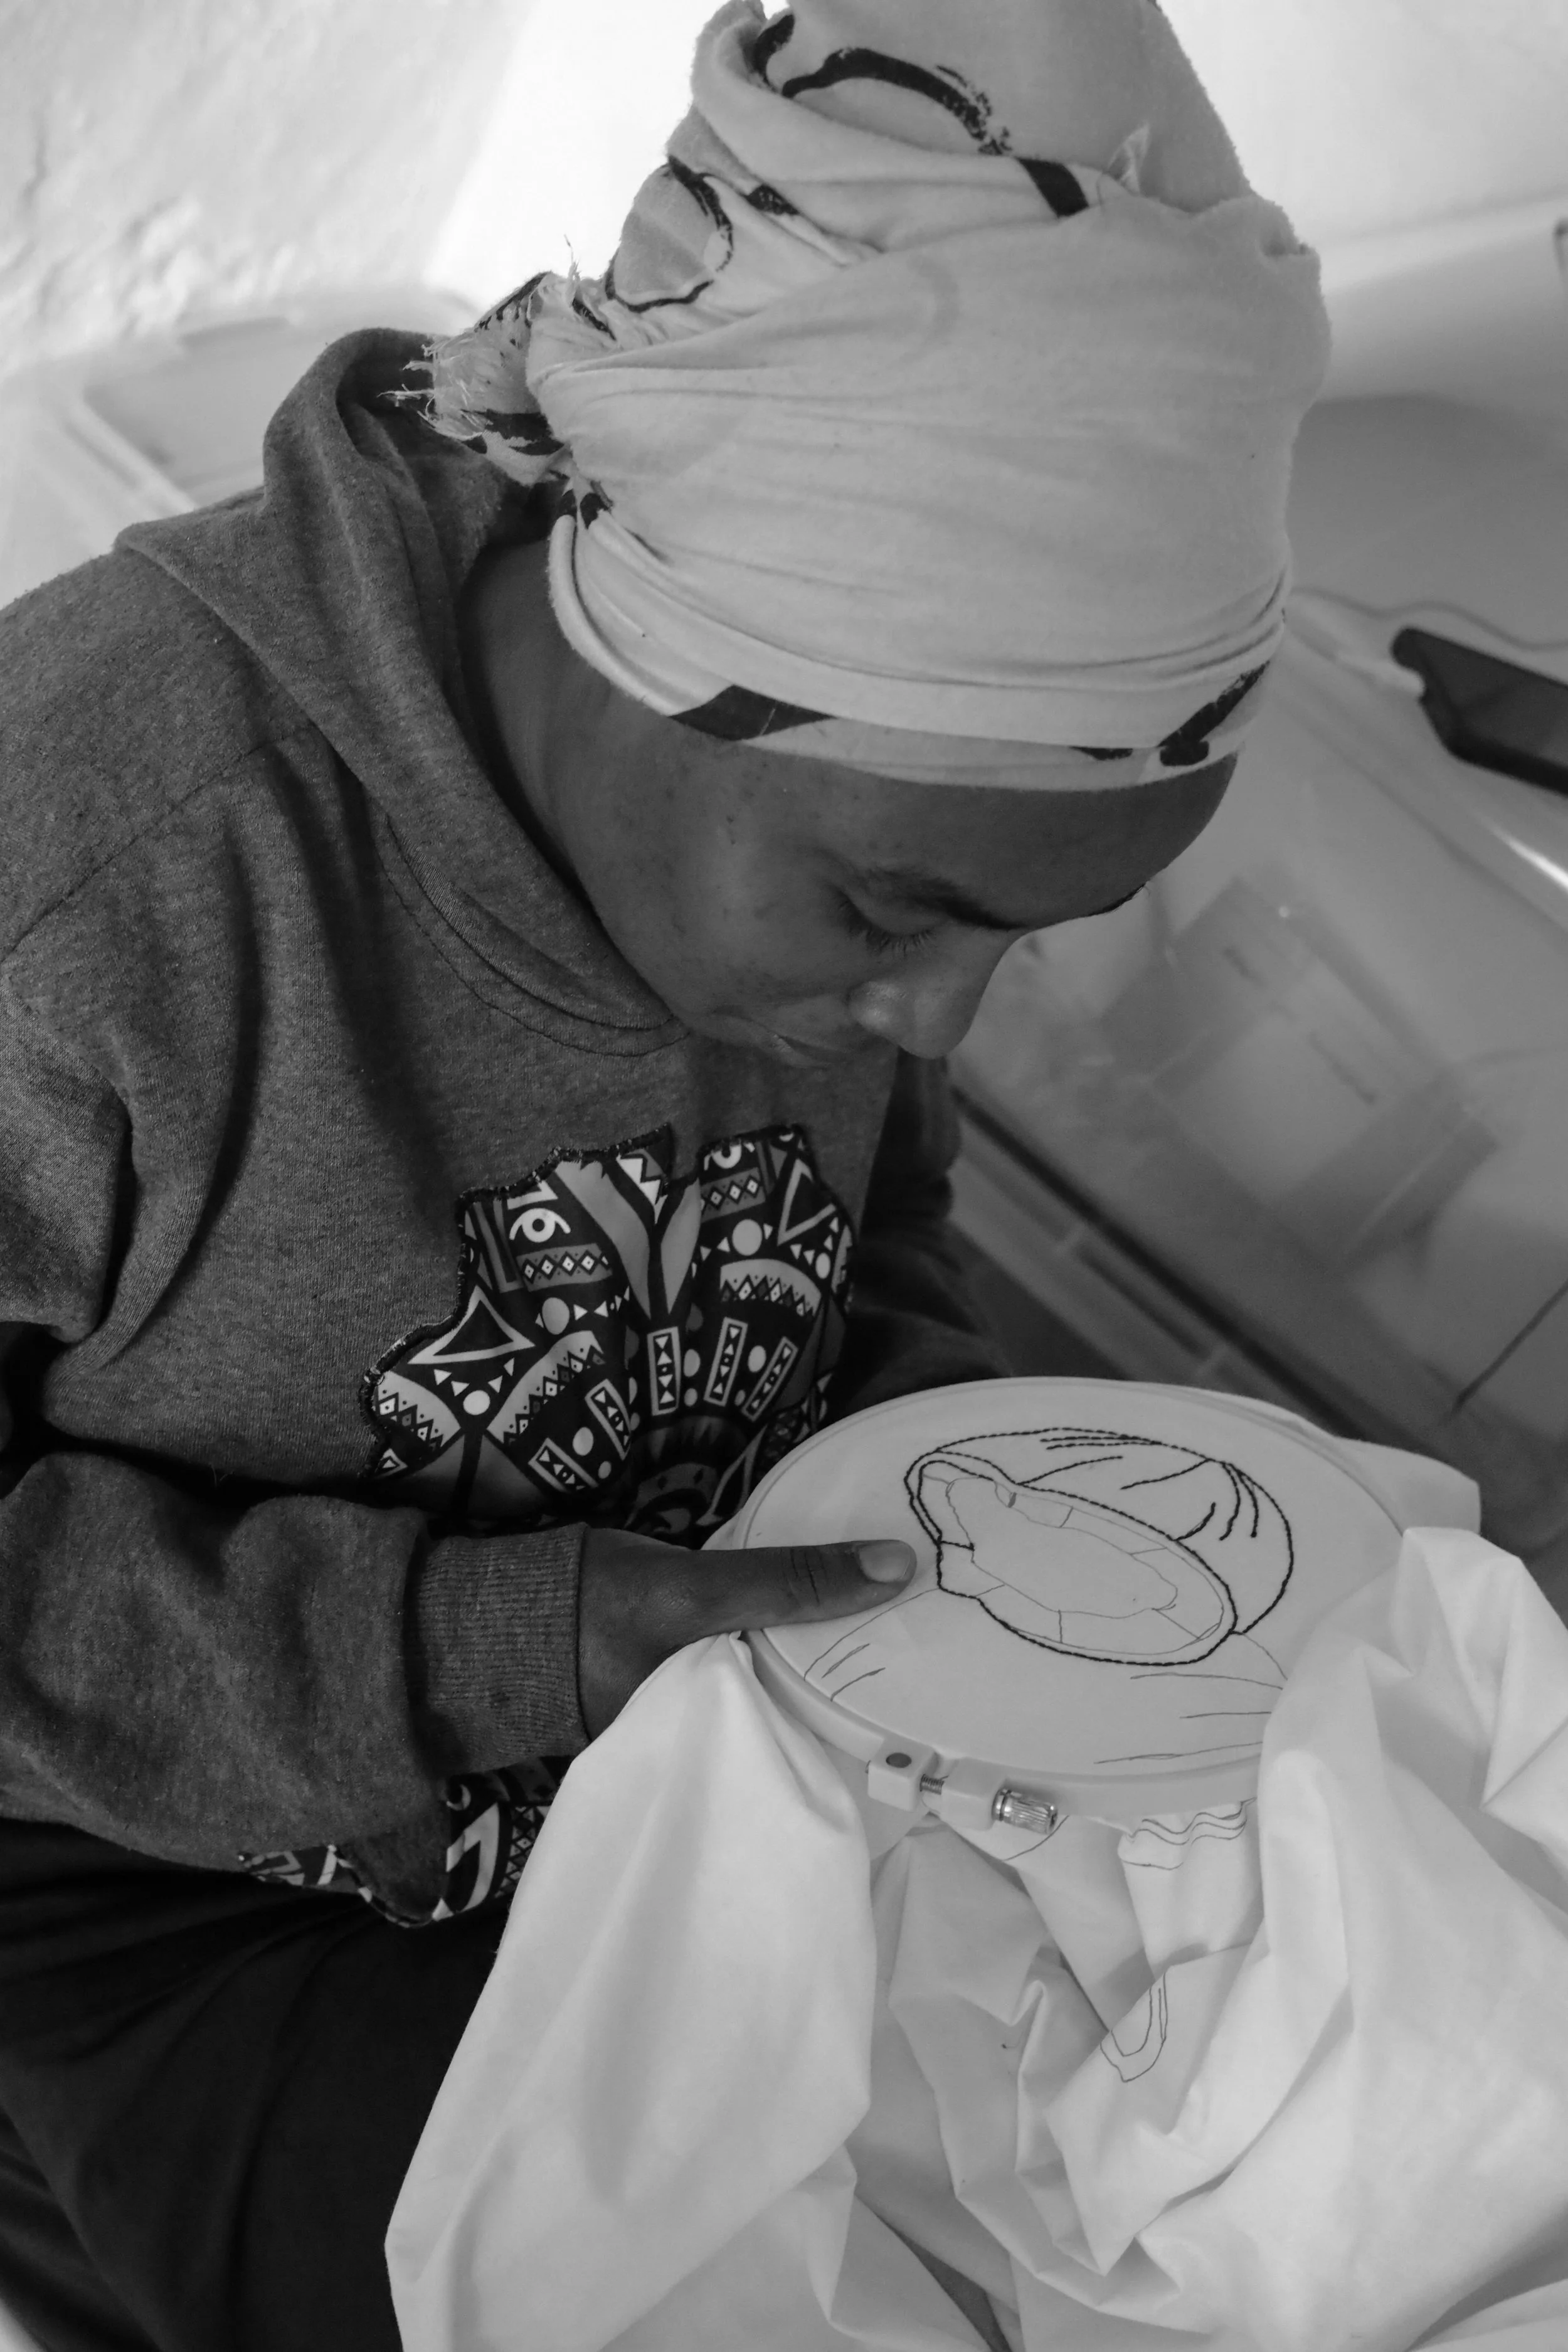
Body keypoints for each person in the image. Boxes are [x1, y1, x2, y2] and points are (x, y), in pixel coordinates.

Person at [0, 1, 1329, 2343]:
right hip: (172, 1868)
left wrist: (952, 1444)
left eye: (1018, 938)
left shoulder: (814, 897)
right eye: (899, 912)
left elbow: (850, 1237)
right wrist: (515, 1639)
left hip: (678, 1722)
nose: (943, 1024)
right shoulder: (103, 882)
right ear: (648, 665)